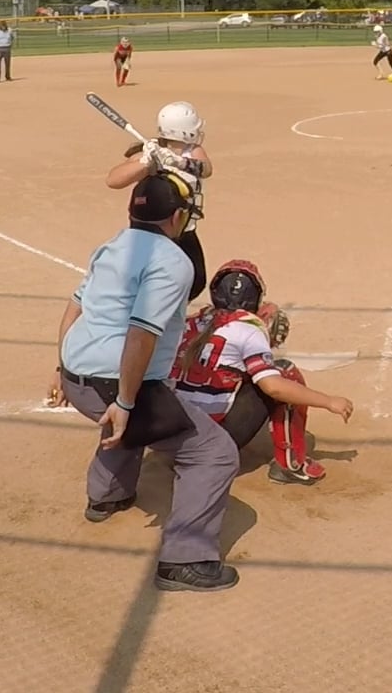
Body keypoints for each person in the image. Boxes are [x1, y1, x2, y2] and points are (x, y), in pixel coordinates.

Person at [47, 174, 242, 593]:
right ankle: (186, 560)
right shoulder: (173, 261)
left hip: (76, 376)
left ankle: (108, 495)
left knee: (130, 417)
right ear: (177, 217)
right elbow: (140, 335)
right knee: (214, 453)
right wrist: (126, 400)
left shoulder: (111, 246)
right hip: (112, 381)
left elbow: (74, 307)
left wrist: (60, 367)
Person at [172, 260, 354, 486]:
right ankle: (291, 466)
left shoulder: (188, 322)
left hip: (169, 438)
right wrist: (328, 401)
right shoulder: (248, 329)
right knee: (283, 374)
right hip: (208, 447)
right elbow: (274, 387)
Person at [105, 101, 212, 299]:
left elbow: (206, 169)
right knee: (150, 282)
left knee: (196, 281)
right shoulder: (149, 152)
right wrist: (146, 163)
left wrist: (178, 162)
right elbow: (113, 180)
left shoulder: (193, 151)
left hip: (183, 230)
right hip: (151, 232)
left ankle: (170, 312)